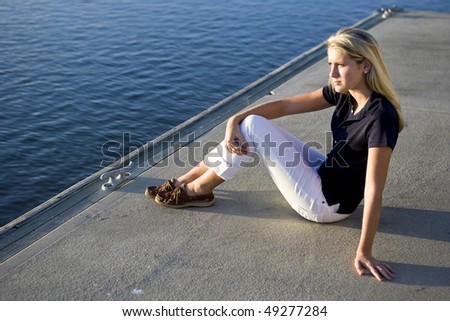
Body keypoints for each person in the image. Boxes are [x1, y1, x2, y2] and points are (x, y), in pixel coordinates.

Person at [145, 27, 404, 282]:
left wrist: (365, 251)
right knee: (249, 123)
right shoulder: (344, 93)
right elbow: (286, 105)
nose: (333, 73)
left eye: (341, 65)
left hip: (327, 203)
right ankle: (186, 180)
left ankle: (198, 189)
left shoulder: (380, 118)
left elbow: (373, 190)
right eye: (330, 64)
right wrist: (233, 120)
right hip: (328, 172)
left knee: (254, 127)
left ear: (366, 66)